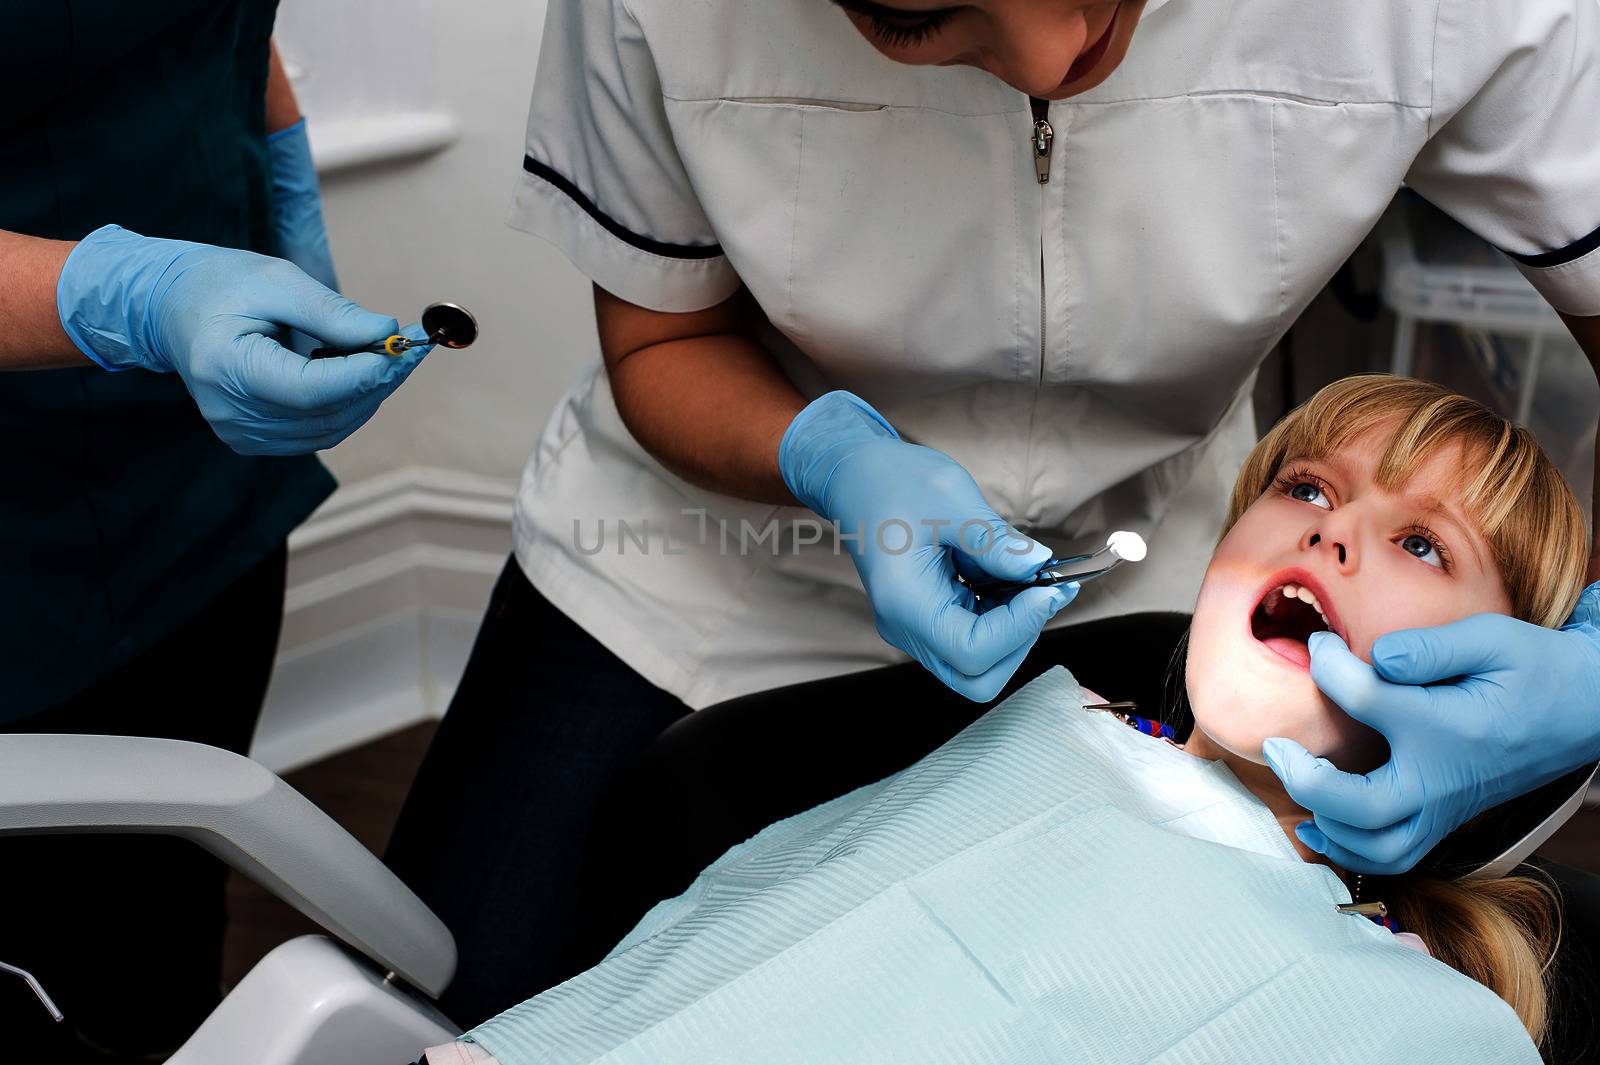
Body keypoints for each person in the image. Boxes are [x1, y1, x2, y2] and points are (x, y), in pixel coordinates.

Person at [386, 0, 1600, 1026]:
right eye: (916, 16)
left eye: (1420, 543)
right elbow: (664, 337)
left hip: (1129, 583)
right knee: (459, 981)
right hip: (696, 570)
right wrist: (835, 458)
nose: (1051, 57)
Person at [411, 376, 1584, 1063]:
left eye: (1422, 544)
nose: (1331, 533)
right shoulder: (1051, 728)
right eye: (1307, 488)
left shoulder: (1424, 1022)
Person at [0, 6, 424, 1058]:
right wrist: (134, 296)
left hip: (195, 476)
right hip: (17, 542)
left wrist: (284, 192)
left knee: (173, 915)